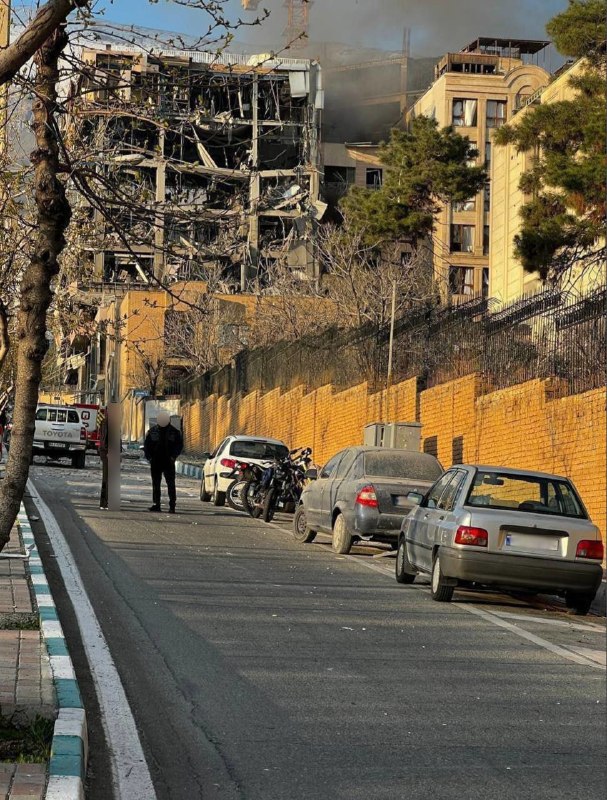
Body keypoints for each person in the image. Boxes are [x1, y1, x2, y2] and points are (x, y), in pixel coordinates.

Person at [144, 410, 183, 513]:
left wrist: (173, 457)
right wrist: (150, 458)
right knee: (156, 484)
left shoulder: (175, 432)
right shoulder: (152, 431)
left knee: (170, 484)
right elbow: (146, 446)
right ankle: (156, 504)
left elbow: (179, 446)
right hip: (156, 461)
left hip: (168, 462)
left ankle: (172, 506)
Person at [98, 407, 109, 509]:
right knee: (106, 478)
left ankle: (106, 502)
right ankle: (104, 502)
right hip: (107, 453)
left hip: (108, 453)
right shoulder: (105, 423)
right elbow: (104, 439)